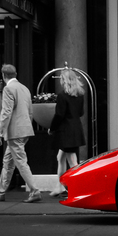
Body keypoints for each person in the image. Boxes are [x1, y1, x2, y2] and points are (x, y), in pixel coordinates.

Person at [0, 64, 41, 203]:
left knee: (20, 162)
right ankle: (0, 192)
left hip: (14, 132)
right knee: (8, 162)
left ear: (3, 75)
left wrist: (0, 132)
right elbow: (30, 112)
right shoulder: (24, 88)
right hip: (24, 130)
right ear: (15, 74)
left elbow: (6, 113)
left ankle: (35, 190)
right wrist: (27, 129)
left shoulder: (8, 89)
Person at [48, 68, 86, 197]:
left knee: (72, 161)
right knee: (61, 158)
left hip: (65, 131)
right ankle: (61, 186)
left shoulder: (62, 96)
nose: (61, 81)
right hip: (75, 129)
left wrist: (51, 127)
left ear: (65, 80)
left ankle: (78, 188)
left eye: (62, 79)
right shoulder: (80, 95)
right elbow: (81, 113)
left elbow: (59, 114)